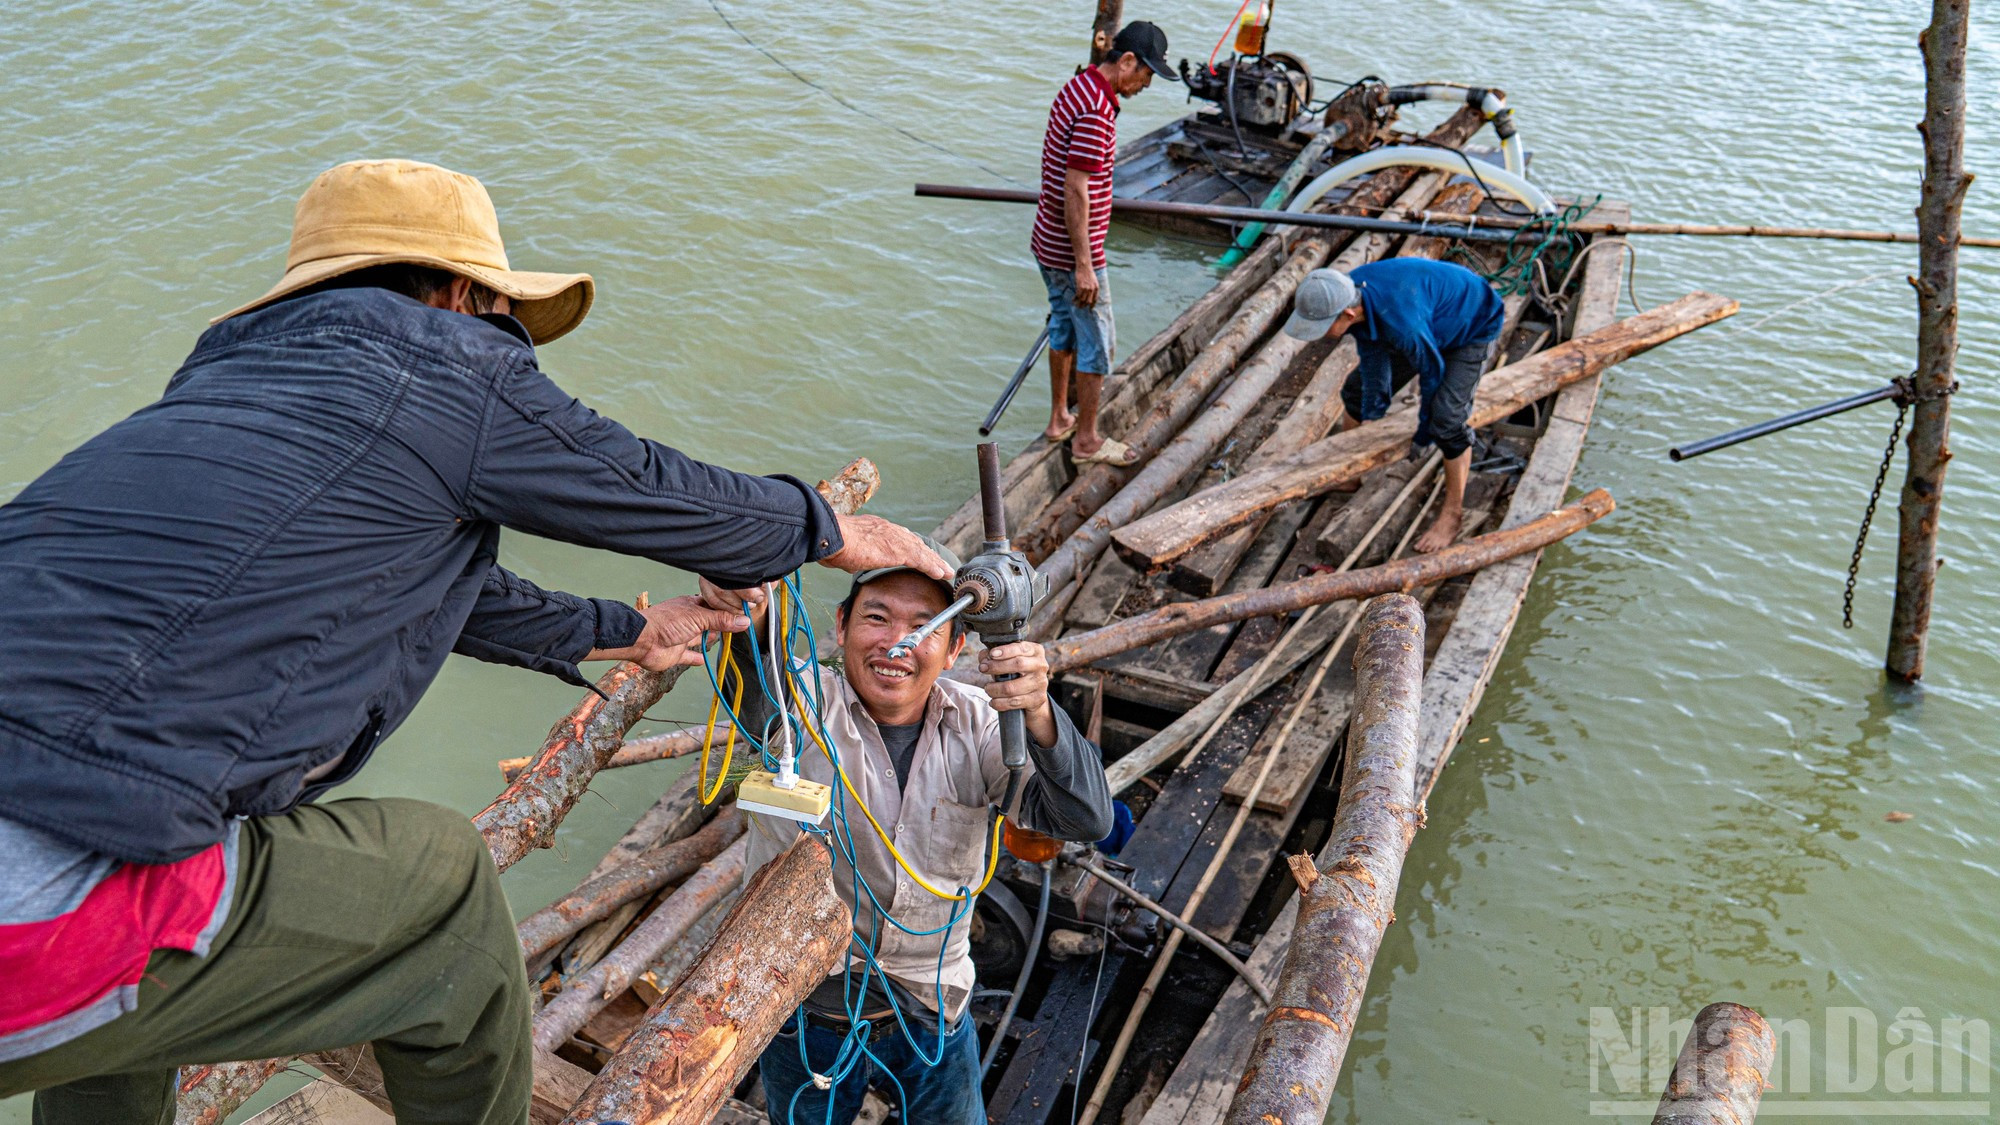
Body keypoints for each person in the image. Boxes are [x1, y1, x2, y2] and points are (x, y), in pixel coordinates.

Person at [0, 158, 949, 1125]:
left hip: (52, 857)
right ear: (460, 294)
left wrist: (626, 631)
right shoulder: (438, 361)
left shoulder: (223, 389)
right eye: (501, 317)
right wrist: (836, 532)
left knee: (142, 960)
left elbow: (423, 586)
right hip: (33, 922)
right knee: (443, 891)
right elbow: (645, 485)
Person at [705, 538, 1113, 1125]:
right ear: (841, 626)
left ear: (954, 649)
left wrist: (1041, 711)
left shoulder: (981, 723)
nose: (897, 642)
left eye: (925, 626)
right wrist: (744, 599)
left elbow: (1085, 819)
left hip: (932, 1003)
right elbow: (754, 671)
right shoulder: (798, 707)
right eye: (877, 618)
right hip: (802, 1010)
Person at [1282, 258, 1506, 552]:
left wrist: (1423, 435)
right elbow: (1372, 350)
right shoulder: (1346, 291)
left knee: (1446, 420)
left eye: (1322, 326)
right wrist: (1371, 412)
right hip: (1424, 315)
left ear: (1348, 314)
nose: (1319, 334)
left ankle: (1452, 515)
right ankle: (1351, 477)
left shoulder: (1404, 325)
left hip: (1472, 323)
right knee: (1355, 393)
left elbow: (1431, 373)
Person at [1031, 20, 1175, 467]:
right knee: (1098, 343)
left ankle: (1060, 418)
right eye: (1147, 74)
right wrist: (1085, 264)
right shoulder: (1096, 111)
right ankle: (1087, 441)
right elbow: (1076, 189)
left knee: (1063, 325)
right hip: (1074, 251)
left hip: (1047, 240)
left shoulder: (1078, 87)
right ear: (1127, 61)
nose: (1146, 84)